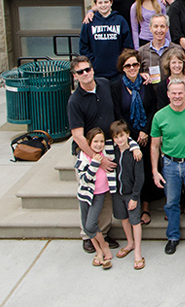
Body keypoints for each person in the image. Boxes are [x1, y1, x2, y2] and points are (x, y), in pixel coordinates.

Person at [67, 56, 121, 253]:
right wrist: (98, 159)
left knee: (105, 194)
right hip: (87, 152)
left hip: (106, 145)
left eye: (87, 69)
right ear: (75, 76)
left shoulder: (105, 84)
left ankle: (103, 232)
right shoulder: (75, 101)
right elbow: (78, 136)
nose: (85, 74)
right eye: (80, 72)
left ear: (92, 69)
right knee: (88, 194)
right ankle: (88, 235)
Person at [150, 79, 185, 255]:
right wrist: (155, 170)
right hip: (170, 164)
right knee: (171, 202)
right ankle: (173, 237)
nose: (177, 96)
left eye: (180, 92)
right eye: (173, 93)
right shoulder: (160, 116)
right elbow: (154, 145)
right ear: (168, 94)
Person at [111, 49, 161, 226]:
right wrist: (132, 135)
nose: (132, 68)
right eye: (128, 65)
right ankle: (134, 203)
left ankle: (146, 206)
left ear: (139, 66)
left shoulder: (146, 84)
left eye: (135, 64)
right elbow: (118, 112)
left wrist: (145, 131)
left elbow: (152, 109)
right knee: (131, 172)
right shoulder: (116, 87)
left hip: (146, 136)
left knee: (146, 171)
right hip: (127, 138)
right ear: (122, 68)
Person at [75, 128, 114, 269]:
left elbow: (124, 141)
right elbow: (85, 178)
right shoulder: (83, 157)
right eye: (95, 141)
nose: (99, 144)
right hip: (85, 195)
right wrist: (95, 164)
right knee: (86, 225)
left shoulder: (107, 151)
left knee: (91, 224)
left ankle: (104, 247)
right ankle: (99, 251)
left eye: (101, 141)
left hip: (99, 194)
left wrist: (135, 148)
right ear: (89, 143)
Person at [110, 120, 145, 269]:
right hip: (117, 193)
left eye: (122, 136)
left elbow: (140, 178)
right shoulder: (112, 151)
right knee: (123, 219)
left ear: (128, 135)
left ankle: (138, 251)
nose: (119, 139)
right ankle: (129, 243)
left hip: (131, 193)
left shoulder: (135, 154)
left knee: (135, 221)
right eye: (116, 137)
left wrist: (135, 197)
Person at [80, 0, 133, 81]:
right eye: (100, 3)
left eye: (106, 2)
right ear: (95, 5)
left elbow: (127, 45)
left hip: (117, 72)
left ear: (111, 3)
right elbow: (84, 45)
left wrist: (122, 61)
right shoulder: (89, 22)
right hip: (97, 72)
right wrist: (93, 61)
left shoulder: (120, 20)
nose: (103, 5)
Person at [138, 13, 180, 85]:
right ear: (150, 28)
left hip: (172, 93)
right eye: (156, 26)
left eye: (162, 26)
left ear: (167, 29)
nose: (159, 30)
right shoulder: (142, 51)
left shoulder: (176, 49)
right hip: (150, 93)